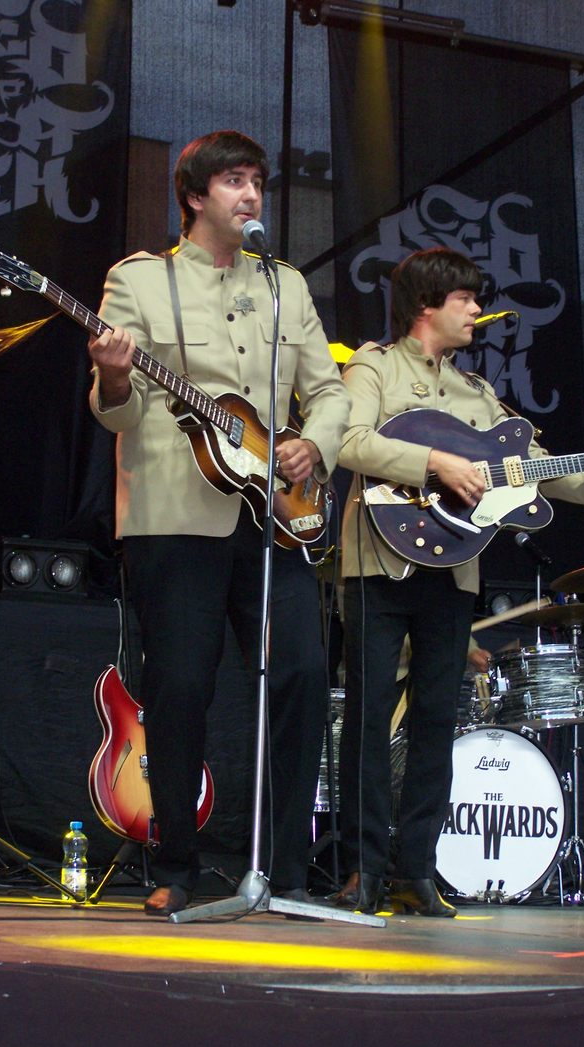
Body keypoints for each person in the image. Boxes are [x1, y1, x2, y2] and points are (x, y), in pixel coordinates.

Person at [334, 246, 584, 916]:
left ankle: (416, 871)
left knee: (435, 720)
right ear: (428, 305)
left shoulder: (477, 393)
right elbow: (350, 441)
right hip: (379, 561)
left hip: (453, 571)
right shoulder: (374, 366)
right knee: (367, 713)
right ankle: (362, 867)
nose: (477, 310)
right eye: (466, 299)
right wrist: (437, 462)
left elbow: (538, 465)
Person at [87, 130, 350, 916]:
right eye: (234, 180)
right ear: (196, 195)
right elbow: (118, 411)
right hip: (175, 515)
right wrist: (112, 373)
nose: (252, 194)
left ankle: (290, 871)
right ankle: (176, 864)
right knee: (179, 686)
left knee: (301, 673)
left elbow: (329, 392)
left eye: (258, 181)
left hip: (273, 518)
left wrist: (313, 445)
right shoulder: (140, 280)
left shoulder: (284, 285)